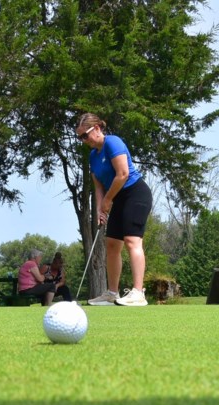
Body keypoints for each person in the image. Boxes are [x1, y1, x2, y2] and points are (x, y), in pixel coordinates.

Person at [74, 113, 153, 306]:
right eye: (80, 137)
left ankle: (138, 292)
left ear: (98, 128)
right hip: (117, 198)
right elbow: (99, 186)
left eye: (85, 135)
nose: (83, 140)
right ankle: (112, 293)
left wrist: (108, 200)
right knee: (111, 244)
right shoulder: (93, 156)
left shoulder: (113, 142)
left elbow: (123, 174)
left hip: (135, 194)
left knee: (131, 240)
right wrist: (101, 209)